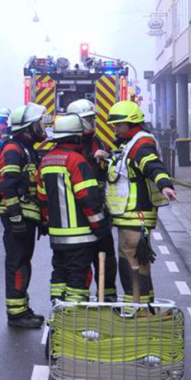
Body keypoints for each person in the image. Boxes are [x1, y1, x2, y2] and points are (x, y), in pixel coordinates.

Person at [105, 101, 177, 304]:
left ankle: (138, 307)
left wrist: (165, 185)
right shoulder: (129, 143)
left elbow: (152, 165)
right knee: (132, 259)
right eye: (114, 125)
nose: (115, 129)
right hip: (128, 214)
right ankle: (140, 305)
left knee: (133, 260)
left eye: (119, 125)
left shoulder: (141, 143)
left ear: (132, 123)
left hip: (136, 213)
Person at [36, 115, 107, 304]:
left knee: (59, 273)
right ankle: (73, 316)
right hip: (81, 235)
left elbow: (42, 198)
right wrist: (100, 226)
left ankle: (58, 309)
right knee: (78, 277)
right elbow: (88, 199)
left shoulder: (46, 160)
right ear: (76, 137)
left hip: (57, 235)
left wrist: (47, 222)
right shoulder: (77, 161)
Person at [0, 103, 47, 328]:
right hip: (17, 217)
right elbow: (7, 185)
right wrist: (15, 217)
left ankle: (22, 308)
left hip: (26, 217)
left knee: (23, 262)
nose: (41, 127)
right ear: (28, 127)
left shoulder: (26, 149)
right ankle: (16, 314)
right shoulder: (13, 149)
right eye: (38, 123)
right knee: (17, 263)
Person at [65, 99, 116, 301]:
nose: (92, 123)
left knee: (107, 255)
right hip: (80, 210)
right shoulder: (73, 142)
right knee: (81, 259)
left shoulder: (98, 141)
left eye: (93, 118)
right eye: (88, 119)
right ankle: (80, 300)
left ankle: (108, 296)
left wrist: (106, 161)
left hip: (98, 206)